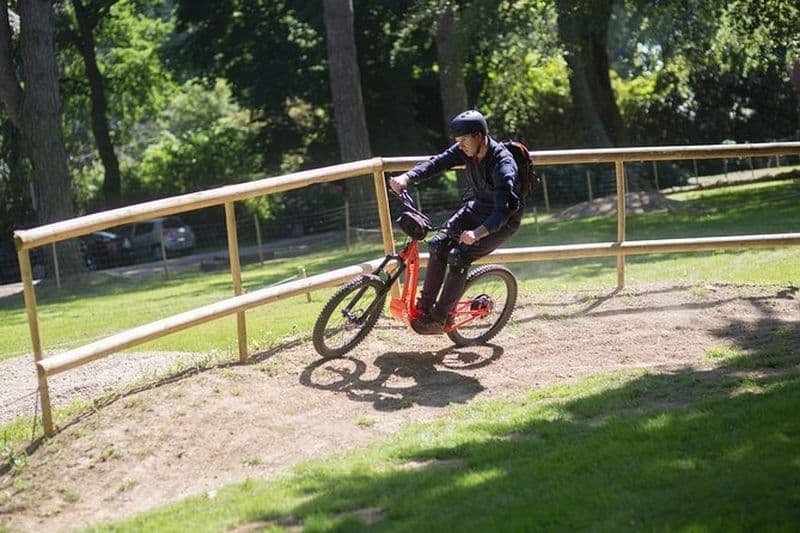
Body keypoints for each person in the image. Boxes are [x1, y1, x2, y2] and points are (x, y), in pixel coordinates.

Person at [390, 109, 524, 334]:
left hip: (501, 221)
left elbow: (503, 212)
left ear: (478, 137)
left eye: (463, 140)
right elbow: (437, 163)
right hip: (477, 209)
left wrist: (476, 234)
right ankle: (425, 307)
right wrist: (407, 177)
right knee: (437, 244)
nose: (459, 145)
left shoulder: (503, 164)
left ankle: (439, 318)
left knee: (459, 256)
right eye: (457, 141)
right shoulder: (467, 150)